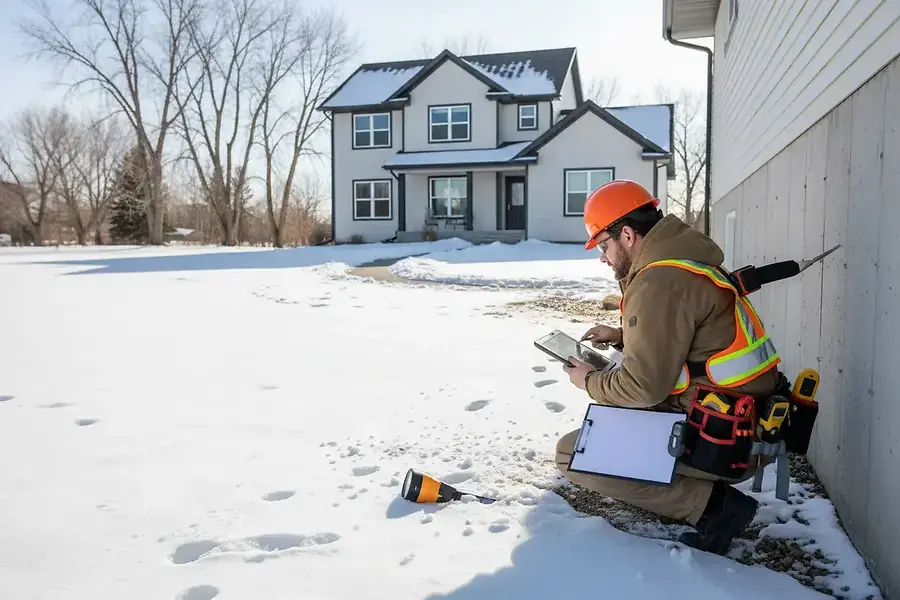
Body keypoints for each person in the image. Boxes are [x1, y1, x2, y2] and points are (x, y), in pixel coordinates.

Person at [556, 179, 781, 555]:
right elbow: (695, 340)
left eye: (603, 245)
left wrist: (589, 380)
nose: (602, 258)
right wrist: (624, 336)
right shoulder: (684, 263)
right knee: (611, 416)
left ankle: (712, 507)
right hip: (744, 420)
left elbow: (645, 389)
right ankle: (704, 498)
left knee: (573, 452)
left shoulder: (658, 281)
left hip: (725, 440)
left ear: (626, 235)